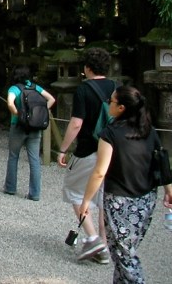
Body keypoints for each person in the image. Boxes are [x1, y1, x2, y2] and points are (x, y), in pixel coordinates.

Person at [80, 86, 172, 283]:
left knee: (124, 254)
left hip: (119, 200)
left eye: (111, 101)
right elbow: (162, 161)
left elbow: (99, 172)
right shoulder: (149, 130)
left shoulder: (110, 134)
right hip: (146, 199)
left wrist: (86, 201)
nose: (108, 104)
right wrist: (168, 189)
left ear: (121, 107)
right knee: (124, 250)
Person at [58, 47, 117, 263]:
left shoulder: (84, 90)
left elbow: (76, 123)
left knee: (75, 192)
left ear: (87, 68)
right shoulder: (116, 88)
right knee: (103, 197)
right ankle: (104, 247)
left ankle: (93, 239)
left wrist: (63, 149)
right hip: (112, 149)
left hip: (89, 148)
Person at [4, 66, 56, 201]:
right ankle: (35, 193)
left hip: (18, 126)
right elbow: (51, 99)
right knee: (34, 159)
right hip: (35, 127)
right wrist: (39, 114)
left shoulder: (14, 88)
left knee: (13, 156)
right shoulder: (35, 87)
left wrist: (19, 114)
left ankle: (10, 188)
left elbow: (10, 102)